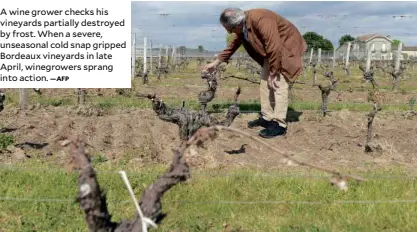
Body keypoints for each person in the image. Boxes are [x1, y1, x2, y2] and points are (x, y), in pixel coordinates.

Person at [203, 8, 307, 138]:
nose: (229, 32)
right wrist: (216, 62)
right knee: (265, 83)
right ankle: (267, 117)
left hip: (285, 49)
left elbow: (274, 45)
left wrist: (274, 73)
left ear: (238, 24)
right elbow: (235, 43)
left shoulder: (261, 19)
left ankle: (280, 124)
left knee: (278, 84)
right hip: (272, 52)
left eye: (230, 29)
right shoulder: (243, 23)